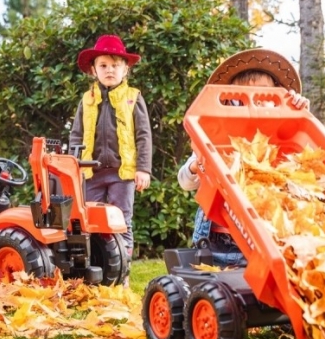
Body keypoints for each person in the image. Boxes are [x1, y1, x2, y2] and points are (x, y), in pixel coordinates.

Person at [177, 48, 309, 267]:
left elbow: (299, 152)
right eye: (243, 96)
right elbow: (185, 181)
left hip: (266, 236)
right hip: (218, 240)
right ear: (230, 101)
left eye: (264, 96)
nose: (254, 103)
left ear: (276, 97)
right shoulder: (216, 133)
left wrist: (298, 112)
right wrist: (195, 166)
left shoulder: (281, 133)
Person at [69, 34, 153, 267]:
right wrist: (74, 165)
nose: (109, 70)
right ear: (93, 71)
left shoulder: (133, 98)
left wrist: (143, 169)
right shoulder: (86, 100)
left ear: (125, 69)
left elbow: (143, 135)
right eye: (103, 65)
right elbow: (76, 134)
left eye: (115, 65)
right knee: (90, 220)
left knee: (122, 220)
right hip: (91, 173)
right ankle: (96, 268)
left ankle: (122, 270)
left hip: (121, 173)